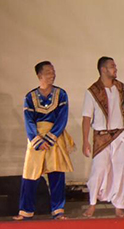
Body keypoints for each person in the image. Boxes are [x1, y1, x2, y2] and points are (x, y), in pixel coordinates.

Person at [14, 61, 75, 221]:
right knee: (30, 174)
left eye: (53, 71)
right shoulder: (30, 97)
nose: (52, 74)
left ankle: (58, 210)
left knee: (56, 173)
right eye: (48, 72)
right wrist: (36, 139)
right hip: (36, 138)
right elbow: (28, 120)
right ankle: (25, 211)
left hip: (54, 138)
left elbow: (62, 118)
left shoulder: (61, 94)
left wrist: (51, 137)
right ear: (40, 75)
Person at [82, 56, 124, 218]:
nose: (116, 69)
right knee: (98, 170)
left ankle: (119, 206)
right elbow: (86, 117)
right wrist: (85, 140)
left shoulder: (121, 88)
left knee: (121, 171)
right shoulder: (92, 91)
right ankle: (92, 203)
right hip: (101, 137)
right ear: (103, 69)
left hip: (120, 135)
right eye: (112, 66)